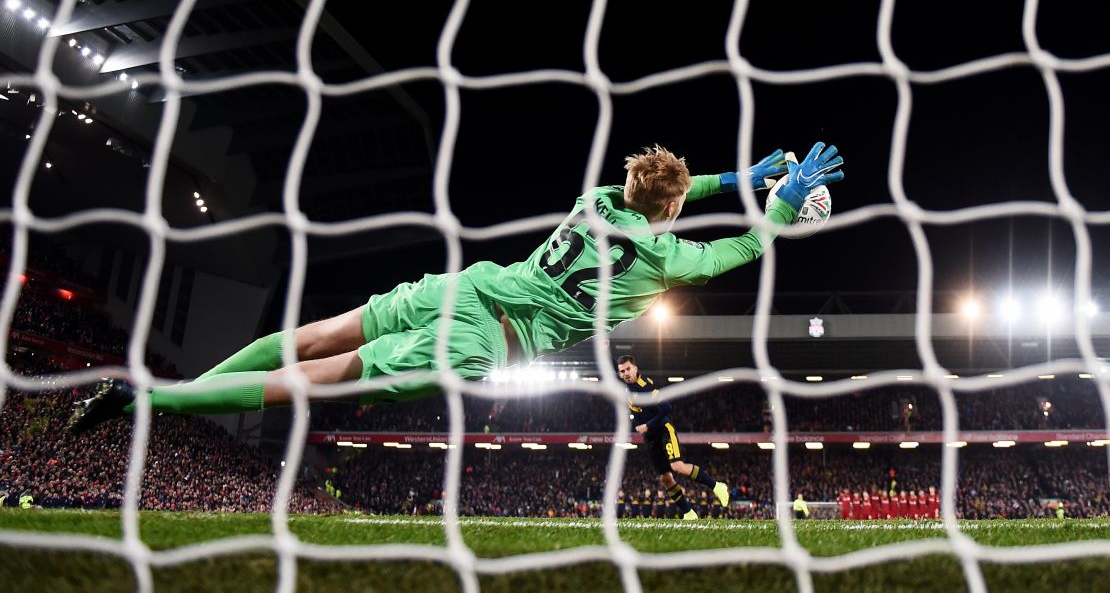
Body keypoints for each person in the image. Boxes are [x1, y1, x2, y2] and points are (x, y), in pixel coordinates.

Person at [69, 142, 844, 433]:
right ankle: (149, 402)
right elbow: (738, 248)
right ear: (670, 208)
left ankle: (177, 390)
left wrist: (737, 176)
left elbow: (669, 191)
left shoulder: (597, 201)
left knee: (312, 336)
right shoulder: (665, 261)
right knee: (305, 382)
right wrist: (776, 212)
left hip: (464, 287)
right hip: (479, 338)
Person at [617, 354, 730, 521]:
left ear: (636, 369)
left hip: (664, 430)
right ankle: (688, 513)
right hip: (650, 439)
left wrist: (647, 426)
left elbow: (667, 408)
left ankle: (717, 486)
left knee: (677, 466)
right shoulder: (624, 384)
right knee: (666, 478)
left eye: (628, 369)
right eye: (622, 371)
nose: (625, 373)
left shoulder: (646, 387)